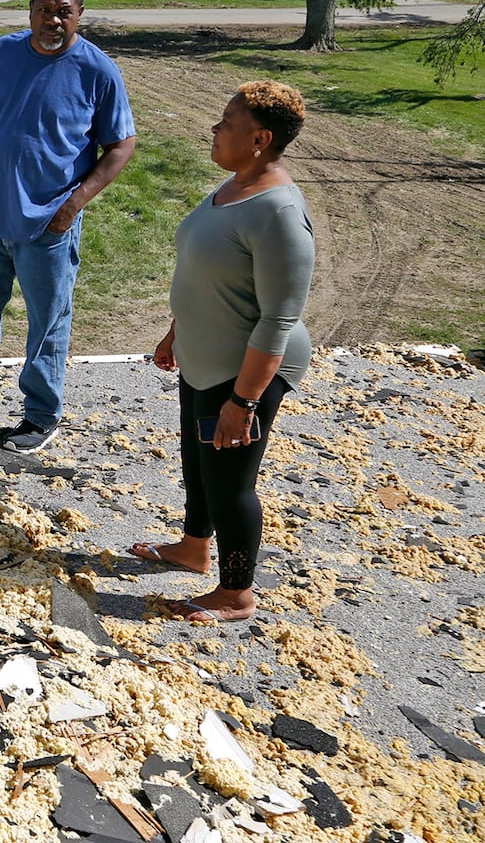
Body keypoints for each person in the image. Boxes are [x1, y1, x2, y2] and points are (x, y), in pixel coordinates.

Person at [131, 80, 314, 623]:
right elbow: (208, 276)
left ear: (259, 138)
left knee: (231, 483)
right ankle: (193, 548)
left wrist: (244, 401)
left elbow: (278, 317)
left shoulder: (278, 212)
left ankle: (236, 593)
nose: (215, 128)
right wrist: (175, 331)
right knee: (198, 460)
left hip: (247, 369)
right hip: (204, 353)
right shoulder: (233, 186)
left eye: (227, 122)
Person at [0, 0, 137, 452]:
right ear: (30, 10)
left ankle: (41, 414)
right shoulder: (1, 53)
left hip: (49, 222)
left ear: (79, 15)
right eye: (44, 9)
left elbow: (121, 145)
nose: (53, 20)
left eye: (63, 12)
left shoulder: (98, 71)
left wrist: (73, 205)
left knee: (47, 319)